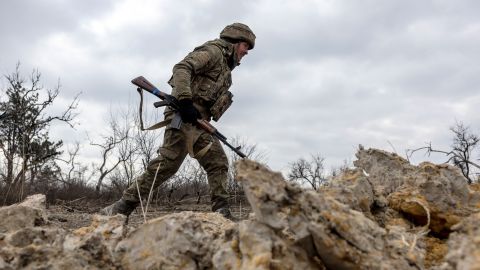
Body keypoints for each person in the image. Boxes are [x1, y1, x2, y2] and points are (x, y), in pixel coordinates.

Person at [100, 23, 255, 220]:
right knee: (168, 165)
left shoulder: (226, 68)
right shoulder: (213, 51)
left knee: (217, 162)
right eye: (245, 46)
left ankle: (222, 213)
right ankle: (120, 209)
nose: (246, 52)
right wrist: (185, 100)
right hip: (183, 116)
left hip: (198, 121)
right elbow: (182, 68)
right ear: (234, 42)